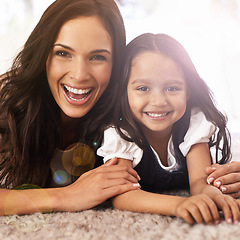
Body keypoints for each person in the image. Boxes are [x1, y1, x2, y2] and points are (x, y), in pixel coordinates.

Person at [0, 0, 141, 216]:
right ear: (43, 55)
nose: (79, 74)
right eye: (63, 53)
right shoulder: (10, 99)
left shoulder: (128, 107)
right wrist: (67, 195)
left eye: (97, 57)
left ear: (116, 64)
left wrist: (208, 174)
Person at [97, 33, 240, 225]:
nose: (159, 101)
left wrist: (213, 194)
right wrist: (178, 205)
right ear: (124, 91)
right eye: (143, 88)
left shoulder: (194, 122)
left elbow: (199, 181)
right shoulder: (120, 131)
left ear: (188, 90)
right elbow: (123, 195)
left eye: (172, 88)